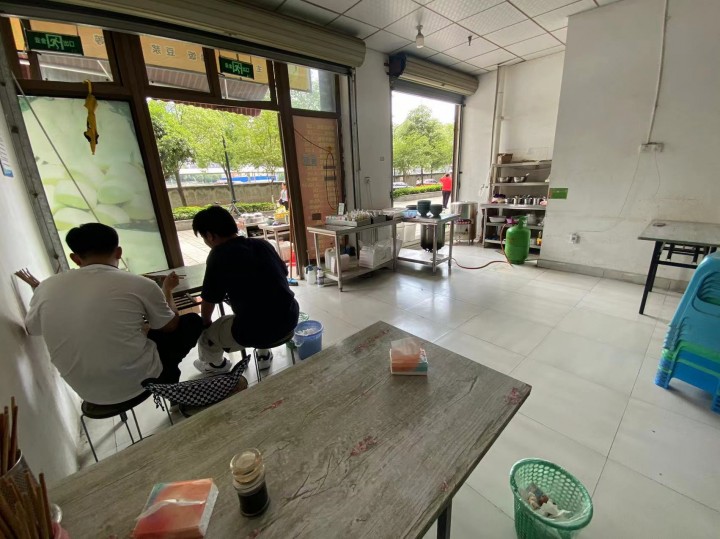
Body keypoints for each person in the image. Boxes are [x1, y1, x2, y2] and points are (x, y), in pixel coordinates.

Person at [18, 223, 203, 405]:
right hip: (138, 380)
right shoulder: (140, 284)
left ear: (75, 258)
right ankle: (169, 382)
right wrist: (168, 289)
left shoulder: (46, 287)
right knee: (192, 321)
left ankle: (169, 381)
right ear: (119, 252)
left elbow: (32, 328)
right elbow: (170, 325)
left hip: (86, 391)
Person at [192, 206, 299, 374]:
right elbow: (282, 274)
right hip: (290, 318)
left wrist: (205, 323)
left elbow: (209, 300)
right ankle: (263, 355)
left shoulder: (218, 255)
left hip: (256, 331)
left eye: (204, 237)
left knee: (205, 335)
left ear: (210, 235)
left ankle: (215, 366)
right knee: (259, 310)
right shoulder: (263, 244)